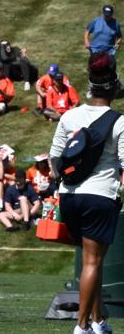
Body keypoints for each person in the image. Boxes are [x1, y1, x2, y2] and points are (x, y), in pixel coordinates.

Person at [48, 52, 124, 334]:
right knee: (93, 261)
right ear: (114, 87)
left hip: (70, 195)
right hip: (100, 194)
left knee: (93, 260)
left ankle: (97, 321)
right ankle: (82, 326)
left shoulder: (70, 115)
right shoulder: (119, 121)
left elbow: (54, 160)